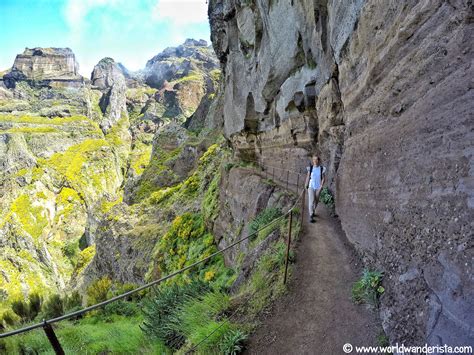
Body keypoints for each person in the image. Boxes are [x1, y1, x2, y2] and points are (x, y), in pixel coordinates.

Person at [305, 154, 326, 223]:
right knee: (311, 200)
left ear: (318, 160)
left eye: (316, 159)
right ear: (312, 160)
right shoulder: (310, 168)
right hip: (311, 186)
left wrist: (321, 186)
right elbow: (308, 176)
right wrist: (306, 184)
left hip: (318, 187)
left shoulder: (321, 168)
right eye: (314, 159)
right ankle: (311, 215)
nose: (315, 161)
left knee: (316, 201)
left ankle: (313, 211)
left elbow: (323, 178)